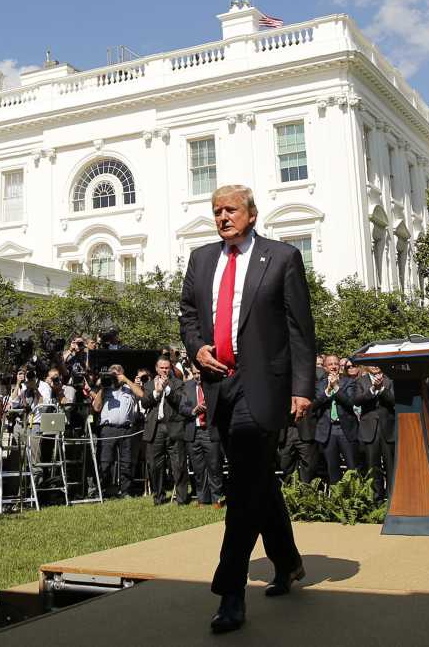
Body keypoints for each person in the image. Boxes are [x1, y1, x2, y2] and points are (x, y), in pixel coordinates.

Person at [179, 184, 313, 633]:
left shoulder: (281, 257)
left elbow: (300, 328)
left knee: (241, 490)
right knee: (256, 481)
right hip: (220, 385)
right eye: (216, 211)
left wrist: (302, 387)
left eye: (230, 210)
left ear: (251, 215)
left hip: (265, 387)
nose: (222, 217)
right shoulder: (200, 259)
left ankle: (230, 590)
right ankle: (289, 560)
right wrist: (196, 348)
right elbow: (188, 315)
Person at [90, 363, 143, 498]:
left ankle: (126, 491)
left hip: (126, 429)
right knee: (105, 461)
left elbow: (142, 395)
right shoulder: (105, 389)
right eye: (112, 374)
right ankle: (102, 490)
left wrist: (126, 380)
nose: (115, 377)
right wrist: (103, 387)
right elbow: (96, 408)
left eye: (117, 374)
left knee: (127, 462)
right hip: (108, 429)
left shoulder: (129, 388)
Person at [142, 357, 190, 505]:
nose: (164, 370)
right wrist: (157, 392)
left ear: (170, 369)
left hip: (174, 428)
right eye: (161, 368)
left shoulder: (178, 384)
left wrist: (167, 390)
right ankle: (159, 497)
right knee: (154, 465)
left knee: (178, 464)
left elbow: (180, 401)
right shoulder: (149, 385)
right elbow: (144, 402)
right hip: (155, 428)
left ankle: (182, 498)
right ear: (156, 368)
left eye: (167, 368)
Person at [180, 365, 224, 507]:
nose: (197, 375)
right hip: (193, 431)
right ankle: (202, 499)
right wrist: (193, 410)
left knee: (214, 467)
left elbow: (222, 404)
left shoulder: (213, 384)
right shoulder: (187, 386)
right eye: (194, 373)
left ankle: (217, 498)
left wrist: (209, 407)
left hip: (210, 431)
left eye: (199, 372)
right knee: (198, 469)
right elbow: (182, 407)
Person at [313, 354, 360, 485]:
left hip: (346, 429)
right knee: (332, 468)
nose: (333, 366)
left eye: (336, 364)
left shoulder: (349, 382)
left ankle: (355, 498)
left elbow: (351, 402)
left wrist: (337, 388)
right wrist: (328, 390)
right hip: (328, 430)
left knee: (352, 467)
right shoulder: (319, 384)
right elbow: (314, 405)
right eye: (330, 364)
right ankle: (336, 499)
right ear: (325, 367)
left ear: (340, 366)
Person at [354, 364, 396, 501]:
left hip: (388, 429)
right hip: (369, 429)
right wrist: (372, 389)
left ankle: (392, 499)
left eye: (378, 363)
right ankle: (376, 498)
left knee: (390, 465)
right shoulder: (361, 381)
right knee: (373, 466)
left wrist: (382, 389)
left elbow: (395, 401)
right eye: (372, 364)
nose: (375, 366)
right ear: (367, 366)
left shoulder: (390, 380)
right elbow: (357, 400)